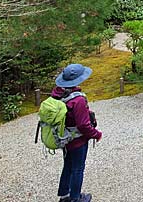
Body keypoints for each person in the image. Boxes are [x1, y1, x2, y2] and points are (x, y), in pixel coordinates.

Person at [52, 63, 102, 202]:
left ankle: (64, 195)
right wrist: (96, 134)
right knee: (78, 169)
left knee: (68, 165)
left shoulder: (58, 94)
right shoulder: (77, 100)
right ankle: (75, 198)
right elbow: (83, 125)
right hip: (77, 140)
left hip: (65, 138)